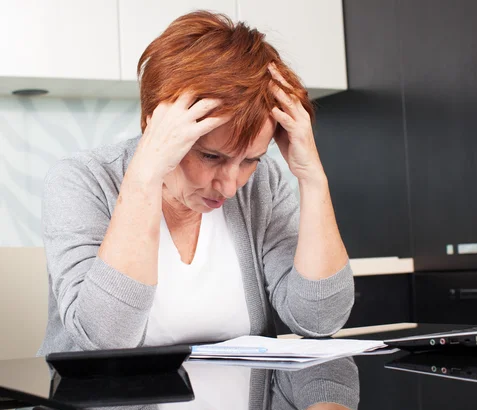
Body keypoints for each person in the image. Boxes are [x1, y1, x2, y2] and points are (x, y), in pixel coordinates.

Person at [37, 10, 354, 355]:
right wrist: (145, 177)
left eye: (250, 160)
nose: (231, 186)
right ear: (154, 123)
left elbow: (320, 320)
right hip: (99, 404)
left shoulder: (263, 186)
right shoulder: (82, 180)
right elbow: (104, 340)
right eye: (210, 156)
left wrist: (313, 179)